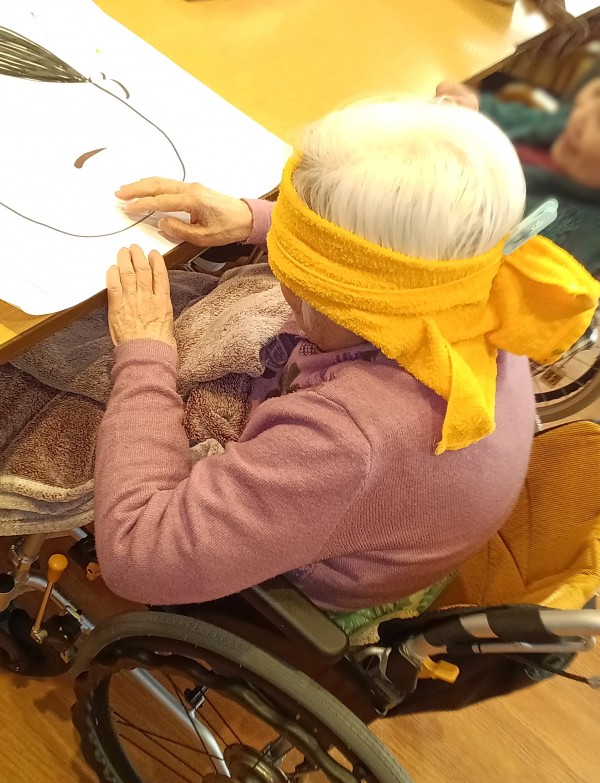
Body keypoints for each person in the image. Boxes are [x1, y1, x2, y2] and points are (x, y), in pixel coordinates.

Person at [93, 97, 599, 611]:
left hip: (305, 588)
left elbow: (138, 555)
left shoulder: (347, 439)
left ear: (327, 292)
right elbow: (382, 263)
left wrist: (145, 352)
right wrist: (255, 219)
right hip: (390, 512)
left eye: (290, 250)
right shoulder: (472, 294)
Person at [437, 78, 600, 276]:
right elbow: (520, 119)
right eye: (596, 94)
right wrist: (474, 105)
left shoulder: (576, 243)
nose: (579, 117)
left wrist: (459, 143)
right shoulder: (566, 130)